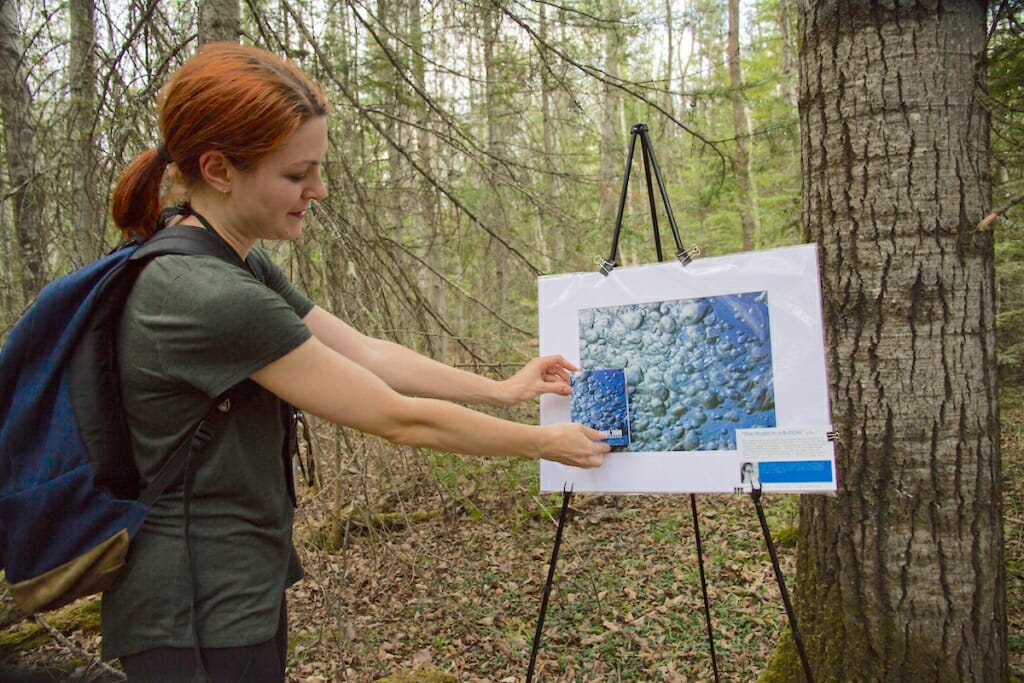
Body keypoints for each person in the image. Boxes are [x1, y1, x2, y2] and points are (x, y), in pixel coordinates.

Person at [102, 41, 608, 682]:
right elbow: (398, 419)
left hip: (231, 590)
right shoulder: (209, 296)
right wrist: (542, 442)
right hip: (195, 612)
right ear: (219, 169)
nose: (319, 189)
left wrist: (504, 389)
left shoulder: (231, 256)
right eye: (295, 174)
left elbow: (368, 352)